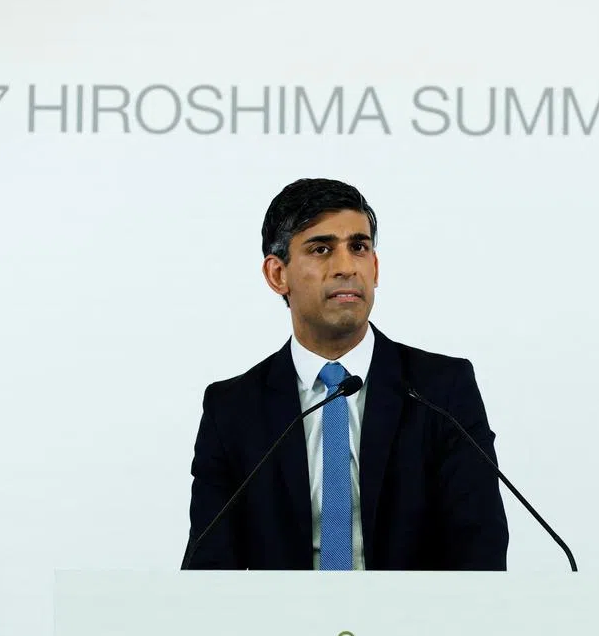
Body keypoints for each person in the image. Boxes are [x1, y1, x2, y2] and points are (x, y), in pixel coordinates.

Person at [181, 178, 508, 570]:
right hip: (284, 612)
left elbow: (480, 557)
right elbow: (208, 572)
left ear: (375, 267)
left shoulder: (441, 391)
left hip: (413, 612)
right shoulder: (233, 410)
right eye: (321, 249)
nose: (346, 267)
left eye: (359, 247)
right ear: (277, 274)